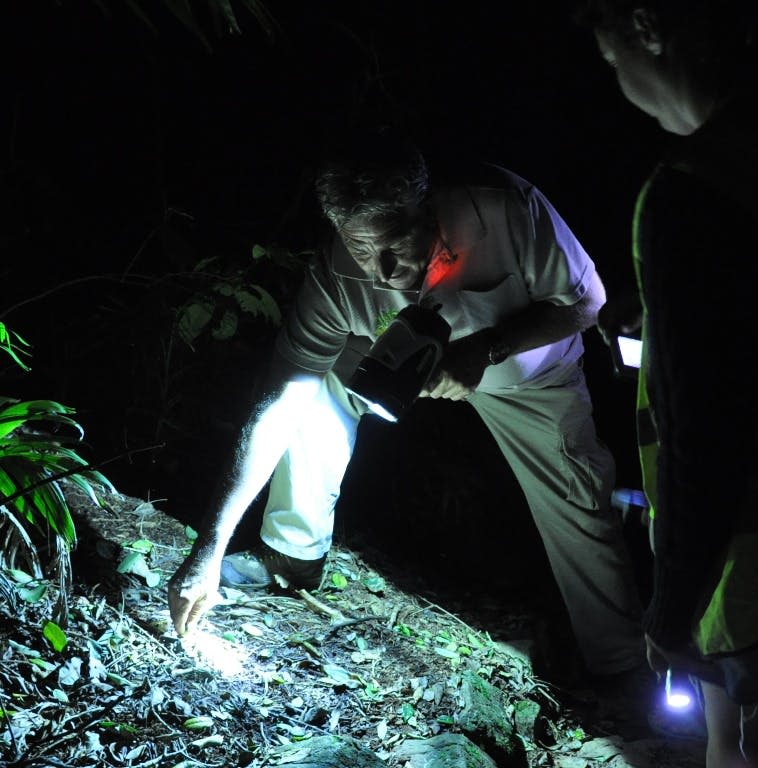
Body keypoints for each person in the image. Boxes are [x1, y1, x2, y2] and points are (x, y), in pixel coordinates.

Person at [166, 125, 647, 682]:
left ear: (429, 209)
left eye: (395, 244)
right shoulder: (335, 275)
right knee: (313, 389)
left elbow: (587, 302)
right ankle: (292, 553)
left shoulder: (504, 207)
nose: (384, 271)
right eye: (363, 249)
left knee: (576, 491)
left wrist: (486, 349)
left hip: (527, 373)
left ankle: (621, 666)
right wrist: (209, 546)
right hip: (397, 366)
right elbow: (278, 402)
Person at [574, 0, 758, 765]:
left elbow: (707, 436)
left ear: (647, 26)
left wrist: (671, 612)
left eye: (609, 57)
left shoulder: (698, 191)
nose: (618, 80)